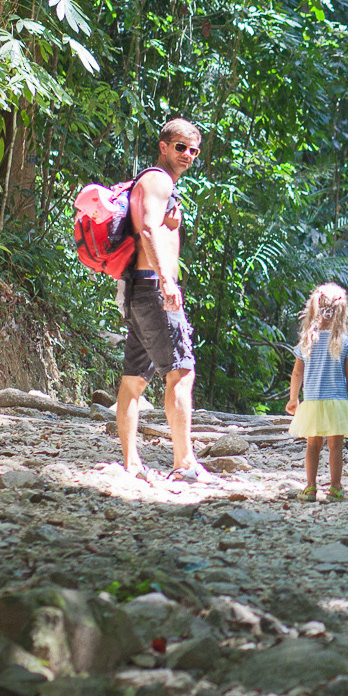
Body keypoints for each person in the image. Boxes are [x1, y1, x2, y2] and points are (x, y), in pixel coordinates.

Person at [116, 118, 210, 485]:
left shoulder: (162, 184)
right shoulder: (156, 180)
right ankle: (184, 463)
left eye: (194, 150)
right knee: (181, 372)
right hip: (153, 288)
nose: (187, 155)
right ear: (163, 146)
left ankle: (131, 463)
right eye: (181, 147)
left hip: (141, 288)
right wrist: (168, 283)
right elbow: (148, 229)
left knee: (134, 380)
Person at [285, 282, 348, 501]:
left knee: (313, 444)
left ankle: (310, 487)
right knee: (336, 445)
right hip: (337, 401)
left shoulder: (307, 342)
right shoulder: (345, 342)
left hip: (312, 401)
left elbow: (297, 374)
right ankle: (336, 488)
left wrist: (294, 398)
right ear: (342, 313)